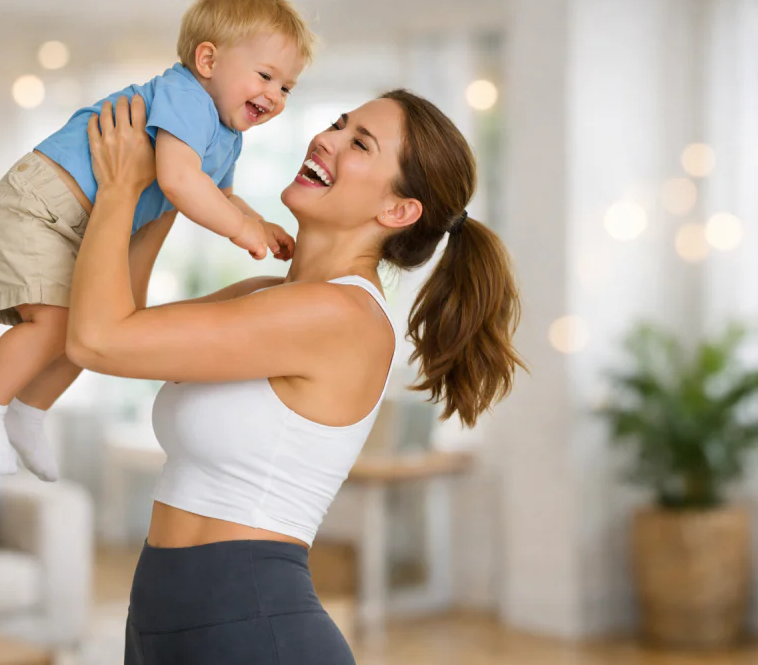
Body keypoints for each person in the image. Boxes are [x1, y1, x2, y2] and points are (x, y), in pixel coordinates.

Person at [69, 92, 526, 664]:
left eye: (359, 143)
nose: (326, 139)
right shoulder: (271, 294)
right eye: (339, 123)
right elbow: (120, 321)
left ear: (398, 211)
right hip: (163, 624)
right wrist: (167, 188)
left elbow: (95, 339)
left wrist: (118, 189)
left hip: (253, 630)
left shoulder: (342, 316)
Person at [0, 0, 314, 481]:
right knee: (57, 324)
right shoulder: (186, 95)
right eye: (266, 76)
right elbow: (180, 181)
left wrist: (257, 221)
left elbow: (218, 194)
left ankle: (29, 410)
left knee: (90, 329)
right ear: (207, 60)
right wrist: (239, 231)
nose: (275, 96)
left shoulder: (226, 137)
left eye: (287, 88)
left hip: (75, 225)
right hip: (35, 208)